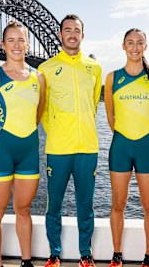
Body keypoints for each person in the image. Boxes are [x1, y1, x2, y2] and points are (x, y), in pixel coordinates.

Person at [0, 20, 46, 267]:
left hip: (29, 151)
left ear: (28, 44)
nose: (16, 45)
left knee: (24, 210)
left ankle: (26, 262)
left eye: (21, 40)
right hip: (2, 152)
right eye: (11, 40)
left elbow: (37, 114)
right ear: (2, 45)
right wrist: (0, 142)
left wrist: (23, 135)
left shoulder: (39, 78)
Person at [39, 14, 102, 267]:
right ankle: (54, 253)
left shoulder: (94, 68)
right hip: (58, 149)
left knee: (85, 206)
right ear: (60, 35)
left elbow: (94, 103)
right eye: (68, 30)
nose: (72, 34)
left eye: (77, 30)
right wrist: (56, 131)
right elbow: (42, 109)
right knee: (53, 205)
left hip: (88, 148)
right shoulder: (46, 68)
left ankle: (85, 255)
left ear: (83, 35)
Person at [104, 28, 149, 267]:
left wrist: (146, 138)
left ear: (145, 46)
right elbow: (110, 116)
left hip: (146, 147)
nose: (135, 47)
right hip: (120, 146)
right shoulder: (113, 78)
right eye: (130, 43)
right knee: (117, 204)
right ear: (123, 46)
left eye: (139, 43)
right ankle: (117, 255)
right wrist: (125, 136)